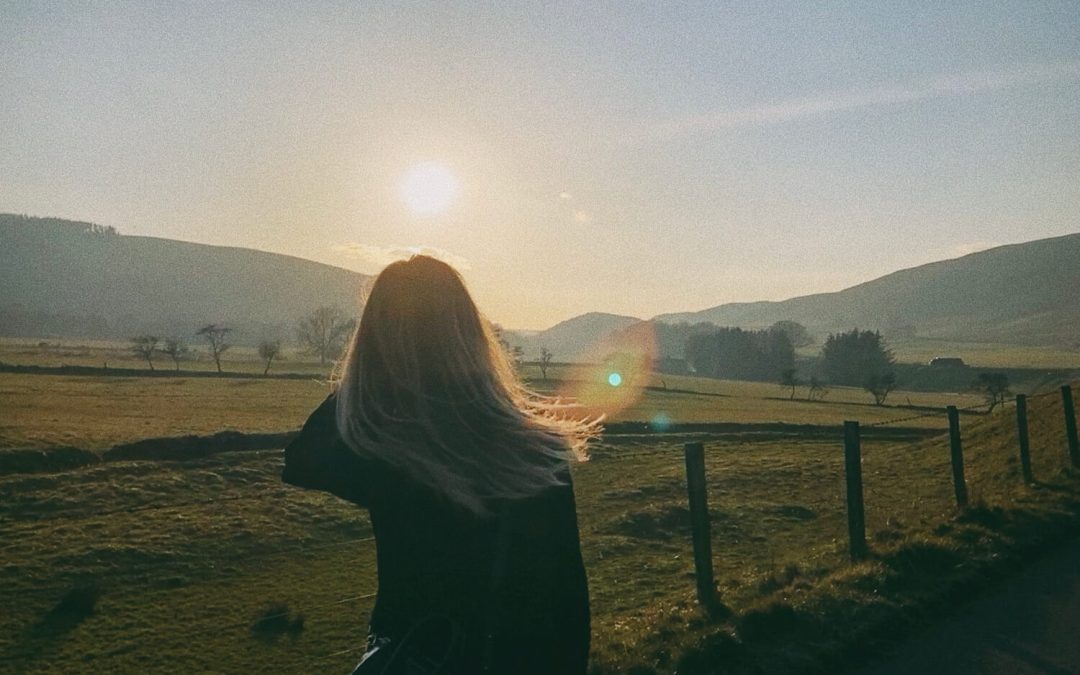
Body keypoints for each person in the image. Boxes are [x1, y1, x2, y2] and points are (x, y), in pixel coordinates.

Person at [282, 255, 597, 674]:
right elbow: (568, 606)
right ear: (471, 337)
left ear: (376, 342)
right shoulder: (538, 452)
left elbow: (303, 458)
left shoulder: (389, 454)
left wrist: (370, 370)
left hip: (416, 659)